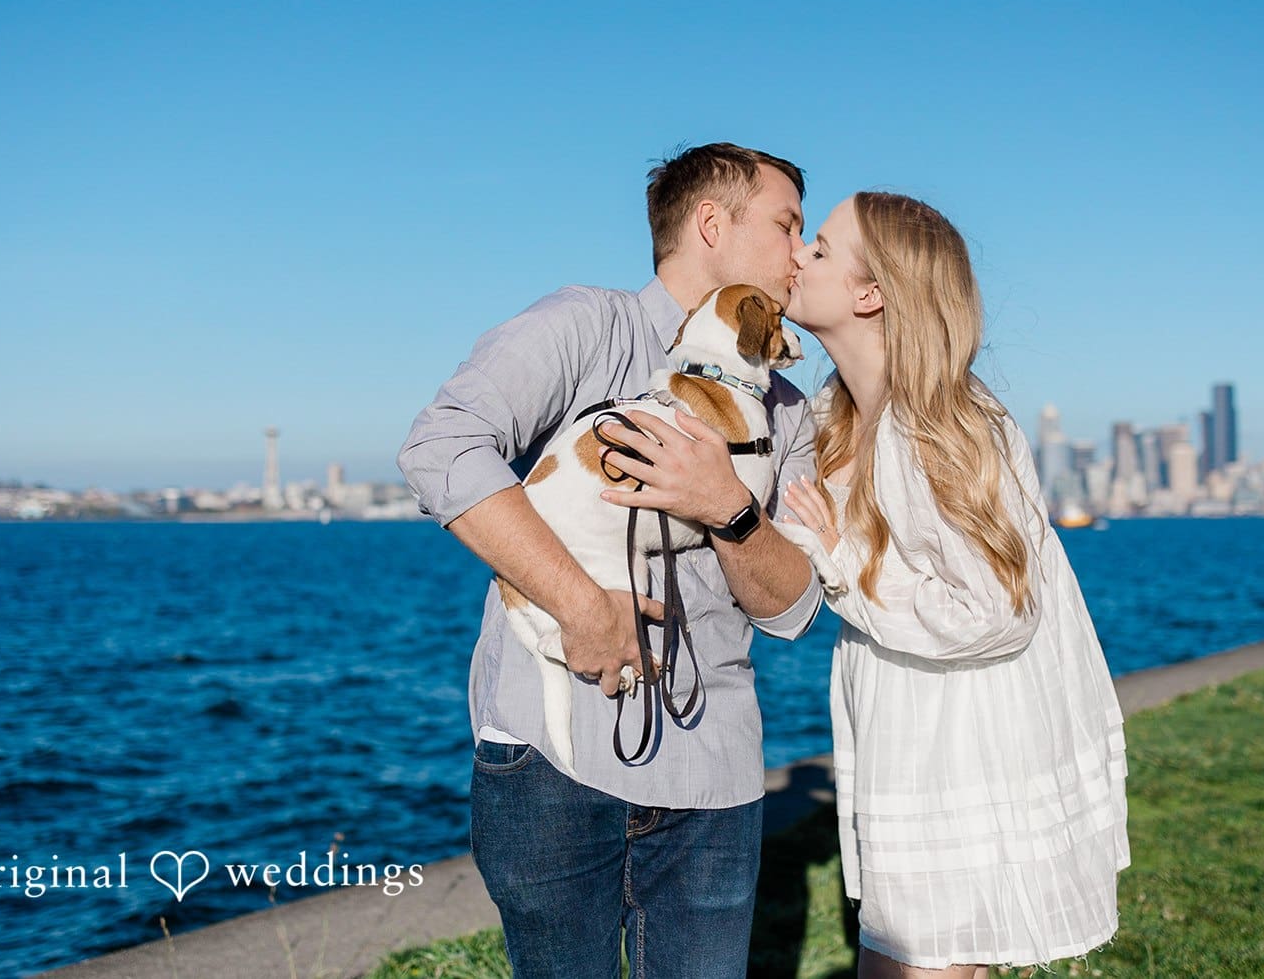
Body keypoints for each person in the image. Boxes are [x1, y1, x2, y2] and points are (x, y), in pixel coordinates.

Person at [397, 143, 824, 978]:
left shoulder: (787, 408)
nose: (800, 255)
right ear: (711, 223)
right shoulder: (586, 325)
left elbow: (792, 608)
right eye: (785, 227)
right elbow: (440, 446)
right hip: (552, 766)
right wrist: (581, 608)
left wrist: (726, 507)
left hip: (712, 776)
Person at [779, 192, 1129, 978]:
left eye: (824, 248)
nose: (799, 251)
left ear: (872, 294)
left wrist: (842, 566)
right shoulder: (839, 416)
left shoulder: (935, 427)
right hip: (915, 723)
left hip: (954, 740)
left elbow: (1000, 609)